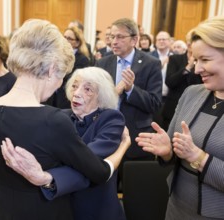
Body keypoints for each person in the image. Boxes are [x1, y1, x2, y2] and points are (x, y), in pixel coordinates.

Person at [0, 19, 128, 220]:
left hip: (3, 210)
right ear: (51, 70)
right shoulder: (53, 120)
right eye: (62, 77)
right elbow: (98, 173)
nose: (60, 86)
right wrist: (123, 147)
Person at [0, 66, 128, 220]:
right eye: (74, 86)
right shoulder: (61, 116)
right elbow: (27, 134)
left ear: (102, 97)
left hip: (95, 208)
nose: (77, 93)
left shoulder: (111, 118)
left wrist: (49, 178)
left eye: (88, 89)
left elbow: (89, 163)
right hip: (61, 207)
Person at [136, 16, 224, 219]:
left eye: (205, 60)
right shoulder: (192, 93)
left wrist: (199, 158)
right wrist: (167, 152)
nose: (196, 69)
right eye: (194, 59)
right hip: (176, 208)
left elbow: (193, 154)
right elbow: (173, 152)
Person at [95, 17, 162, 161]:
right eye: (112, 36)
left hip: (136, 138)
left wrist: (131, 89)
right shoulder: (102, 63)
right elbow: (95, 99)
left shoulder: (151, 64)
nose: (114, 41)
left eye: (120, 37)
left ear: (134, 40)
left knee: (133, 182)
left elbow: (155, 103)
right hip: (105, 135)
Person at [162, 32, 202, 130]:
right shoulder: (175, 59)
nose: (190, 44)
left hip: (194, 107)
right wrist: (188, 67)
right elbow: (170, 82)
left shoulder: (202, 61)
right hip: (173, 107)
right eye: (189, 42)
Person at [46, 26, 90, 109]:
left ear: (77, 43)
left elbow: (74, 79)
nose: (65, 40)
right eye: (64, 37)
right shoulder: (56, 54)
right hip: (51, 97)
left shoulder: (82, 59)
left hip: (66, 98)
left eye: (69, 38)